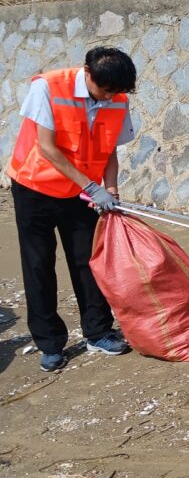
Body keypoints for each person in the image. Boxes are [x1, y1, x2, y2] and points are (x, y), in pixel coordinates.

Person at [6, 46, 138, 372]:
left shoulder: (117, 100)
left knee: (88, 262)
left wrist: (110, 189)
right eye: (104, 90)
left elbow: (109, 151)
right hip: (35, 189)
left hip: (81, 195)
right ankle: (50, 344)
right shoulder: (49, 87)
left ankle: (98, 332)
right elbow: (47, 147)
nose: (109, 97)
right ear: (88, 74)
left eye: (115, 92)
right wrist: (91, 186)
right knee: (39, 266)